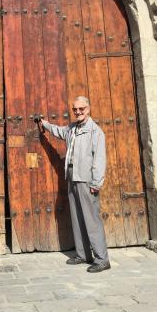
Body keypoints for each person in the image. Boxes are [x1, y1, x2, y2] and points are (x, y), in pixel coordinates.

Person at [35, 96, 110, 273]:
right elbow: (58, 131)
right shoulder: (72, 129)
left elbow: (99, 159)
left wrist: (96, 183)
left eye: (81, 109)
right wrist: (44, 123)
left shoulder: (95, 132)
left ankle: (102, 259)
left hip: (86, 180)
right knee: (77, 218)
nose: (78, 112)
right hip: (72, 177)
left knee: (92, 220)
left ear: (88, 109)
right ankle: (83, 255)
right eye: (75, 109)